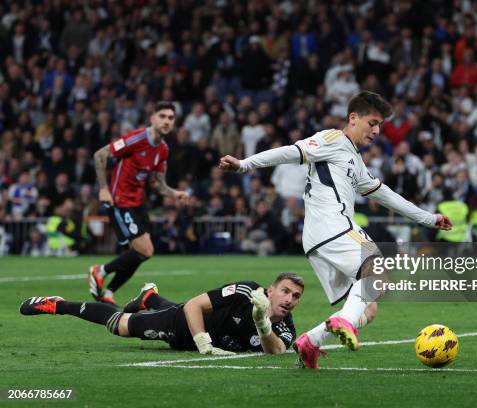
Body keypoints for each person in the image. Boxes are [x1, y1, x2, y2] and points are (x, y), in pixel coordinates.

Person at [219, 91, 452, 368]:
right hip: (333, 226)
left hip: (320, 237)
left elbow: (386, 195)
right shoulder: (333, 139)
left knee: (369, 308)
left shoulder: (355, 161)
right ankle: (343, 322)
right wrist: (246, 164)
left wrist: (428, 218)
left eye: (380, 126)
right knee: (377, 270)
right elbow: (292, 152)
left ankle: (310, 342)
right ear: (353, 118)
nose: (377, 131)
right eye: (373, 123)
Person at [20, 272, 303, 355]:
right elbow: (193, 306)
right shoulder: (246, 291)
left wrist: (261, 322)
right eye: (286, 291)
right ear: (270, 290)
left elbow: (276, 350)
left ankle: (149, 297)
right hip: (184, 326)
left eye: (296, 296)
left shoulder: (287, 327)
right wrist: (203, 342)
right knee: (119, 324)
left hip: (193, 334)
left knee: (168, 307)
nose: (289, 299)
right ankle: (57, 304)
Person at [89, 102, 189, 304]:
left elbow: (158, 184)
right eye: (162, 116)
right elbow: (100, 155)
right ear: (152, 118)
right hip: (120, 201)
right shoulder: (136, 138)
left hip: (138, 203)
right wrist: (103, 189)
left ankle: (108, 292)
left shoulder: (163, 149)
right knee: (146, 250)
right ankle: (100, 271)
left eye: (171, 118)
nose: (167, 121)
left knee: (140, 254)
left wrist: (174, 193)